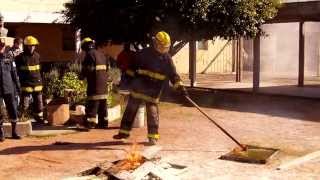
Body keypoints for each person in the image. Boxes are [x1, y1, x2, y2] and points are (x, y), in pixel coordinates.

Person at [113, 31, 188, 145]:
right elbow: (131, 69)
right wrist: (127, 81)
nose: (163, 49)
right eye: (161, 47)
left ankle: (153, 137)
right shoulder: (142, 54)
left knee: (152, 114)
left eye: (165, 47)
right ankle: (124, 132)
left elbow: (174, 75)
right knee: (130, 110)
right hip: (138, 88)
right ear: (155, 43)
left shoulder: (167, 59)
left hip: (153, 91)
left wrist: (181, 88)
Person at [80, 37, 109, 129]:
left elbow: (87, 70)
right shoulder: (101, 54)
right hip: (104, 85)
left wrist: (81, 77)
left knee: (93, 105)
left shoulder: (89, 55)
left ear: (84, 46)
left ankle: (89, 124)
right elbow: (107, 69)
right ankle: (103, 123)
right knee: (102, 106)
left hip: (94, 85)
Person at [15, 36, 44, 124]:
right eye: (30, 46)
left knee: (39, 104)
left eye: (33, 45)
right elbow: (16, 71)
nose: (32, 47)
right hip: (26, 84)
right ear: (26, 46)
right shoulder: (20, 57)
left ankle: (38, 117)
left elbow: (40, 70)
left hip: (37, 83)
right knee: (25, 104)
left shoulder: (37, 56)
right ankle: (22, 119)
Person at [0, 37, 22, 141]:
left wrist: (18, 87)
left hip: (9, 88)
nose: (1, 47)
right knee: (0, 111)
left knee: (13, 109)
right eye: (0, 45)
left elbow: (14, 73)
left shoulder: (9, 57)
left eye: (2, 45)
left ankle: (14, 132)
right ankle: (1, 133)